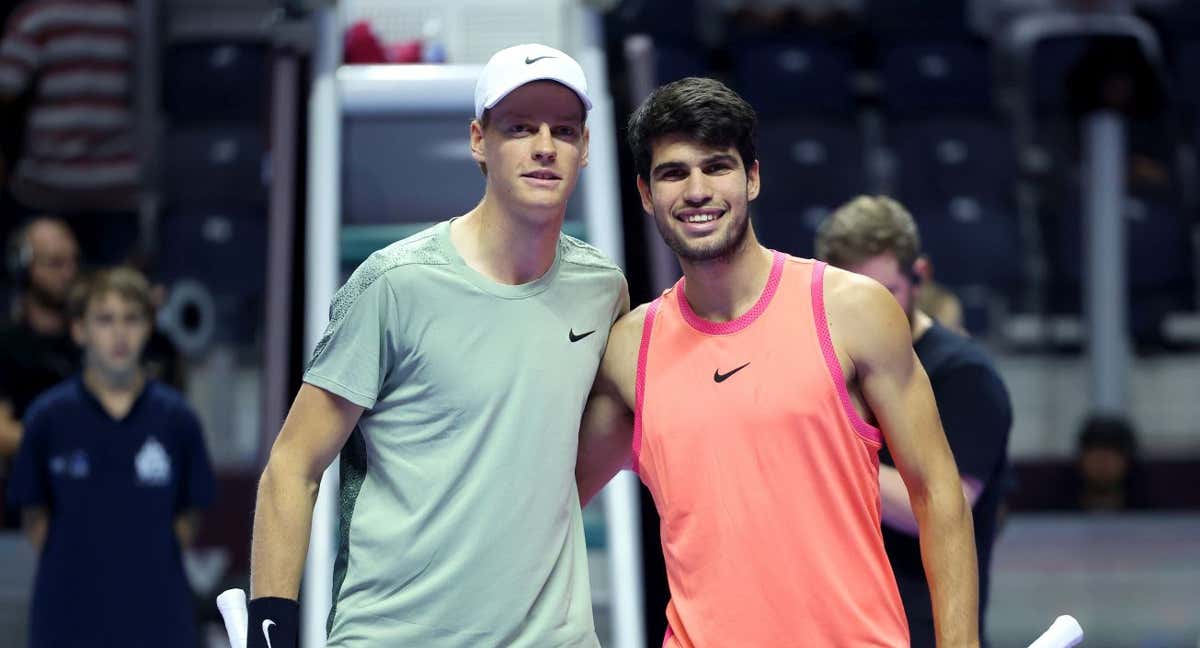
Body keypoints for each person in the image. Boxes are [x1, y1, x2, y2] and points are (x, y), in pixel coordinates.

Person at [246, 44, 626, 648]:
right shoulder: (392, 284)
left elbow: (590, 446)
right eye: (519, 128)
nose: (545, 146)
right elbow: (293, 466)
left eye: (564, 130)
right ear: (479, 140)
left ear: (584, 148)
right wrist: (271, 630)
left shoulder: (602, 291)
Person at [577, 77, 978, 647]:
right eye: (674, 172)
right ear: (645, 193)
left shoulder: (851, 309)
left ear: (753, 178)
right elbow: (551, 505)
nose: (697, 190)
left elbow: (939, 492)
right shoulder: (629, 349)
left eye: (717, 166)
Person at [816, 195, 1013, 647]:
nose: (868, 311)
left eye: (884, 292)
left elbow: (944, 503)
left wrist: (821, 450)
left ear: (918, 277)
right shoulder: (822, 367)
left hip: (923, 629)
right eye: (851, 293)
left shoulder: (966, 375)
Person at [6, 266, 215, 648]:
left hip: (159, 622)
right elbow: (35, 519)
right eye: (104, 319)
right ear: (79, 329)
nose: (119, 334)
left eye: (131, 319)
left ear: (148, 327)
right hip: (65, 622)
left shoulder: (177, 420)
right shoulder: (47, 419)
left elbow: (188, 518)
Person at [0, 0, 138, 214]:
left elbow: (7, 85)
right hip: (118, 181)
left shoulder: (38, 15)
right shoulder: (128, 18)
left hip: (49, 181)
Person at [0, 216, 81, 528]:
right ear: (24, 268)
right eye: (56, 263)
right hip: (24, 501)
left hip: (89, 500)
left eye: (73, 261)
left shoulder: (91, 340)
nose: (68, 273)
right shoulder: (7, 344)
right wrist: (75, 441)